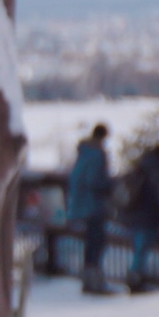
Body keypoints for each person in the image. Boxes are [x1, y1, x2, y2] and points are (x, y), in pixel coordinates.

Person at [122, 140, 159, 292]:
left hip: (133, 215)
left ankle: (135, 277)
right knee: (142, 250)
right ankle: (135, 279)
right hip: (149, 217)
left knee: (138, 250)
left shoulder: (140, 167)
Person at [66, 123, 112, 295]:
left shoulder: (83, 153)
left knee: (89, 245)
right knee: (97, 244)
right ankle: (95, 283)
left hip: (80, 204)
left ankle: (87, 281)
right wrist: (109, 186)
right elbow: (95, 180)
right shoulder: (98, 154)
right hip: (94, 206)